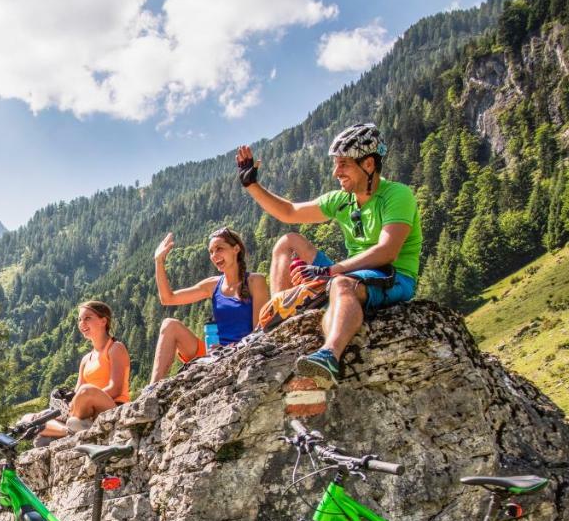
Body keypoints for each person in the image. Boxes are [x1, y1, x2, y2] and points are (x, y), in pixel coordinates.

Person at [236, 122, 422, 383]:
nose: (336, 171)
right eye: (336, 164)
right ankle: (282, 318)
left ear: (368, 165)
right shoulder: (342, 200)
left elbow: (387, 251)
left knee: (342, 284)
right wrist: (252, 185)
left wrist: (333, 271)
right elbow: (289, 212)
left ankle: (329, 355)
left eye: (344, 164)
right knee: (288, 243)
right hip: (352, 272)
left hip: (394, 276)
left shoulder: (397, 195)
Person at [148, 227, 268, 383]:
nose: (214, 256)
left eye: (219, 249)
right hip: (217, 354)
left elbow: (259, 331)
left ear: (236, 249)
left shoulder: (255, 281)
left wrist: (235, 352)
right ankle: (152, 389)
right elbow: (167, 298)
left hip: (242, 352)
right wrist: (159, 261)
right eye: (211, 252)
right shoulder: (212, 285)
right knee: (169, 325)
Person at [37, 301, 131, 440]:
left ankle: (70, 427)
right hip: (82, 413)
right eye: (80, 319)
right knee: (31, 419)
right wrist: (68, 404)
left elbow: (115, 389)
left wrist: (80, 400)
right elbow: (77, 393)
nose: (82, 323)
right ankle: (70, 430)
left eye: (87, 318)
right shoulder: (86, 359)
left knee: (87, 390)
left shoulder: (115, 348)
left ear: (103, 321)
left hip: (111, 407)